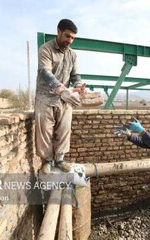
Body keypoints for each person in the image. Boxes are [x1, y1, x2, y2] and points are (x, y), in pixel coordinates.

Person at [35, 19, 86, 174]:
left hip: (64, 99)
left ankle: (60, 159)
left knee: (64, 129)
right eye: (67, 36)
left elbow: (75, 75)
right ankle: (47, 161)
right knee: (45, 130)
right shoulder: (46, 49)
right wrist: (61, 89)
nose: (69, 40)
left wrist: (78, 86)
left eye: (72, 38)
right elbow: (45, 73)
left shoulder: (72, 55)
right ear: (58, 31)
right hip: (45, 97)